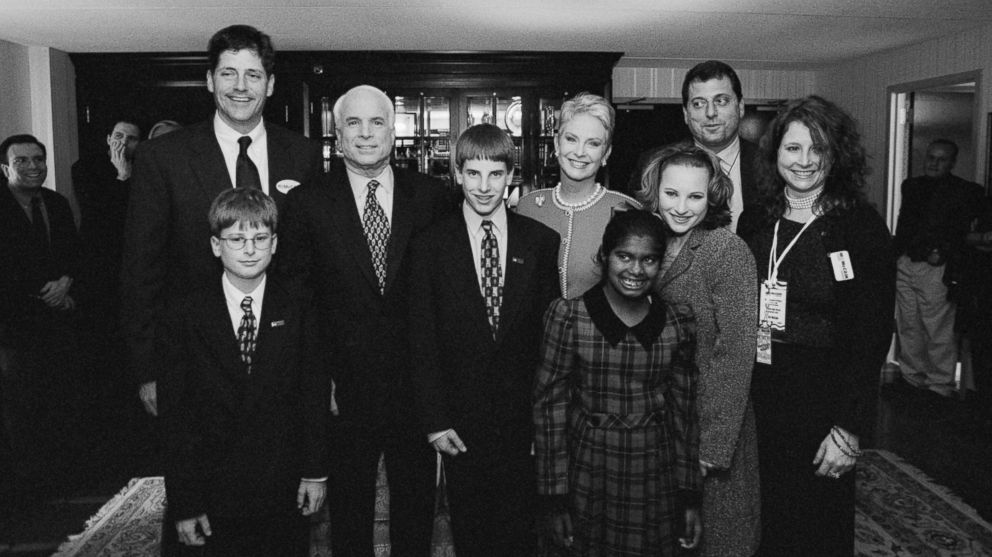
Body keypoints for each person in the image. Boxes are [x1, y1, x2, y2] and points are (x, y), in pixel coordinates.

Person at [278, 84, 452, 557]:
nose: (366, 133)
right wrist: (316, 381)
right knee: (349, 513)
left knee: (416, 509)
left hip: (416, 386)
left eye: (377, 122)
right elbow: (297, 303)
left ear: (393, 131)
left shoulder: (434, 197)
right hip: (342, 389)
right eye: (353, 123)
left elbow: (446, 297)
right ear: (337, 133)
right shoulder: (307, 204)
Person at [121, 24, 321, 420]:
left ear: (271, 84)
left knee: (280, 474)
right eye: (229, 73)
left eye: (253, 75)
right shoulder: (163, 158)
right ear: (210, 80)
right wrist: (147, 369)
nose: (241, 86)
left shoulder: (303, 155)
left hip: (284, 358)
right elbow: (140, 269)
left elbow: (312, 264)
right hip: (191, 359)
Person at [737, 95, 895, 556]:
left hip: (823, 397)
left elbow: (872, 335)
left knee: (817, 521)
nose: (804, 161)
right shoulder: (757, 219)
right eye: (793, 148)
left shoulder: (859, 226)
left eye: (817, 149)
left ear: (836, 155)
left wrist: (849, 426)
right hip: (761, 391)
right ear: (774, 153)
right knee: (764, 517)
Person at [408, 123, 560, 555]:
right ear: (456, 174)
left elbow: (551, 340)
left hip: (523, 421)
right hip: (459, 424)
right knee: (470, 535)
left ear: (510, 175)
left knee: (518, 535)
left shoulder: (541, 242)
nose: (484, 186)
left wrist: (545, 420)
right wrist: (435, 421)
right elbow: (421, 339)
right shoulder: (429, 246)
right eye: (473, 173)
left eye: (495, 174)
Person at [164, 188, 328, 557]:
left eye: (260, 238)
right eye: (236, 239)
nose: (250, 249)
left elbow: (312, 393)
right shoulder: (185, 312)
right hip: (213, 484)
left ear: (275, 243)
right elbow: (176, 416)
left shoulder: (299, 303)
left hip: (282, 480)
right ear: (215, 245)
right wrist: (185, 502)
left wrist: (314, 472)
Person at [535, 209, 702, 556]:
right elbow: (549, 410)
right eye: (624, 256)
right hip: (589, 472)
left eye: (649, 260)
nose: (636, 270)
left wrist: (689, 496)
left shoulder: (676, 322)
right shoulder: (569, 317)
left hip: (655, 476)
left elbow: (684, 415)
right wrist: (554, 499)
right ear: (604, 256)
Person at [637, 143, 761, 556]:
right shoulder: (645, 246)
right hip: (657, 424)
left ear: (713, 197)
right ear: (655, 191)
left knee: (719, 539)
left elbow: (737, 352)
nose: (682, 207)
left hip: (710, 427)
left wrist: (711, 446)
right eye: (672, 194)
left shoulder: (726, 252)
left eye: (696, 196)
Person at [0, 134, 84, 484]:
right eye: (22, 161)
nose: (33, 167)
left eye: (39, 159)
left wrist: (66, 282)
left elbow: (76, 254)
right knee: (20, 409)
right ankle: (28, 485)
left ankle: (60, 477)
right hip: (14, 328)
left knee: (58, 402)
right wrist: (41, 294)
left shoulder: (57, 203)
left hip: (58, 324)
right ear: (5, 167)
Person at [516, 91, 640, 299]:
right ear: (557, 144)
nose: (580, 152)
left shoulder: (628, 210)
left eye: (593, 143)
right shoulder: (527, 207)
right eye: (571, 139)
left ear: (606, 153)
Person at [892, 139, 983, 402]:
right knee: (909, 323)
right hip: (907, 261)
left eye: (941, 159)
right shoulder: (911, 186)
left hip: (936, 266)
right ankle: (912, 378)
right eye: (931, 157)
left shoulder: (965, 191)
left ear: (952, 162)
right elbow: (905, 223)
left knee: (938, 326)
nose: (934, 163)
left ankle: (940, 385)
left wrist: (942, 251)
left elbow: (964, 231)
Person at [631, 61, 759, 235]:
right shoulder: (654, 163)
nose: (711, 112)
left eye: (721, 101)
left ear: (740, 107)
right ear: (686, 113)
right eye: (699, 103)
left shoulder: (770, 163)